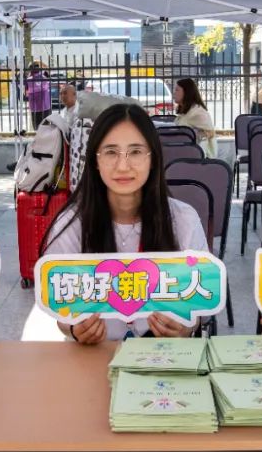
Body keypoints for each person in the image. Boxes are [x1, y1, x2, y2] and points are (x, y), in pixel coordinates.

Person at [41, 103, 207, 342]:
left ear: (153, 158)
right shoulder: (72, 224)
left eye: (136, 152)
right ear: (95, 160)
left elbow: (201, 304)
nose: (123, 166)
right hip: (94, 355)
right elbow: (62, 311)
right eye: (111, 152)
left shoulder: (184, 219)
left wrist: (185, 328)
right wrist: (75, 329)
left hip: (162, 355)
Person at [173, 77, 217, 157]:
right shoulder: (186, 112)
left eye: (177, 90)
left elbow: (210, 133)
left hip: (199, 157)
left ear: (186, 92)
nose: (174, 93)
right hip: (185, 153)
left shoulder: (198, 112)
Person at [24, 63, 52, 132]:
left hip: (35, 107)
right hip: (45, 106)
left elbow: (26, 93)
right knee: (46, 127)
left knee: (36, 128)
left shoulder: (28, 80)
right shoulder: (45, 78)